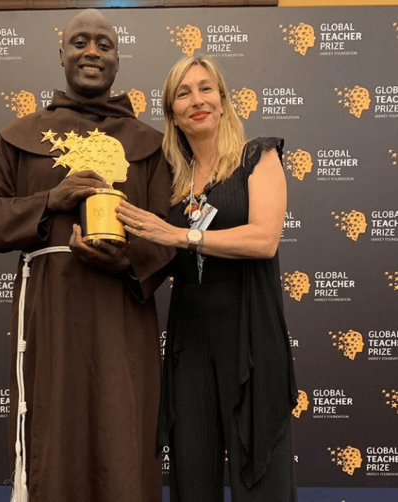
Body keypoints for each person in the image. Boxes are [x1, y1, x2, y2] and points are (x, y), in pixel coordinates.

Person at [0, 9, 173, 502]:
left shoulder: (152, 146)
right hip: (50, 311)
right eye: (79, 42)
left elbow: (173, 235)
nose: (92, 52)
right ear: (61, 53)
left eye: (104, 44)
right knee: (53, 432)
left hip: (122, 316)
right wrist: (49, 201)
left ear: (118, 60)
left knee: (123, 432)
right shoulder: (19, 136)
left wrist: (126, 260)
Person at [116, 54, 298, 502]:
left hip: (250, 336)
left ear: (222, 100)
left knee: (262, 478)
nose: (196, 100)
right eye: (183, 93)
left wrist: (182, 234)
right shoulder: (172, 179)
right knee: (191, 478)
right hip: (189, 342)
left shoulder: (258, 155)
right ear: (172, 113)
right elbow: (152, 252)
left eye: (205, 88)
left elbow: (264, 239)